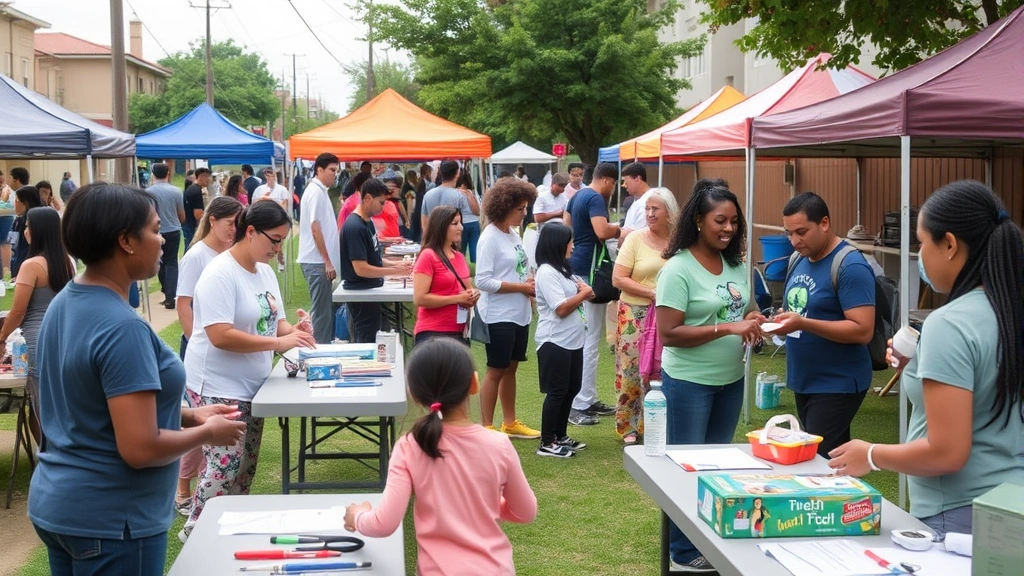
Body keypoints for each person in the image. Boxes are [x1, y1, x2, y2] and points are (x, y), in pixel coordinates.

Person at [29, 182, 246, 575]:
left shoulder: (65, 302)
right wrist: (207, 434)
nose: (163, 238)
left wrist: (186, 415)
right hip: (113, 518)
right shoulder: (121, 328)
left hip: (60, 505)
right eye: (153, 228)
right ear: (125, 241)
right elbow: (141, 447)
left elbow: (91, 400)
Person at [829, 181, 1024, 536]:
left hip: (960, 514)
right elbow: (991, 380)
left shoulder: (949, 324)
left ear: (949, 244)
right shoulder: (1010, 313)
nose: (919, 256)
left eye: (921, 243)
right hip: (1012, 503)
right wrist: (923, 368)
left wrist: (871, 454)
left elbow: (947, 453)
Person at [182, 201, 317, 540]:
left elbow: (275, 322)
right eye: (274, 240)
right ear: (250, 231)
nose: (278, 248)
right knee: (224, 465)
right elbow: (219, 335)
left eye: (283, 240)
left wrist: (296, 330)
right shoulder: (219, 273)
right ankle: (197, 530)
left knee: (244, 466)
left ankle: (227, 530)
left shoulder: (264, 270)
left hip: (252, 384)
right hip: (215, 384)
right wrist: (277, 344)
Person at [343, 338, 537, 573]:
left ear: (414, 395)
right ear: (474, 384)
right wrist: (482, 502)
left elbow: (383, 523)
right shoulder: (499, 443)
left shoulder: (409, 446)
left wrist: (357, 515)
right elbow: (524, 512)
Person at [656, 183, 764, 572]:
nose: (729, 228)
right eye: (721, 220)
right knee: (687, 466)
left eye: (735, 222)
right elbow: (669, 333)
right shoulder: (678, 268)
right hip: (688, 383)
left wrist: (753, 320)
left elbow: (747, 309)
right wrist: (728, 329)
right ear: (699, 220)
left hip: (730, 379)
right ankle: (683, 552)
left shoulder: (737, 264)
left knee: (716, 466)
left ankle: (704, 538)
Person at [771, 192, 875, 457]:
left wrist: (804, 322)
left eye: (802, 232)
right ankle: (848, 499)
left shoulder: (850, 265)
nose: (794, 241)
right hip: (805, 378)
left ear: (825, 223)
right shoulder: (798, 259)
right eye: (789, 233)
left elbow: (863, 330)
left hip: (837, 381)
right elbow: (803, 310)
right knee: (833, 460)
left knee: (817, 458)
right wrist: (784, 318)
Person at [172, 196, 242, 514]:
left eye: (237, 225)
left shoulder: (229, 254)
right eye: (230, 223)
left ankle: (194, 488)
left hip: (220, 348)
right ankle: (182, 491)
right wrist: (196, 338)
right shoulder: (197, 256)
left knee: (209, 428)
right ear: (212, 220)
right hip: (201, 349)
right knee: (201, 426)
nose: (234, 230)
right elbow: (182, 303)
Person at [0, 207, 73, 445]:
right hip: (64, 338)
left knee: (42, 405)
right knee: (57, 404)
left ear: (39, 230)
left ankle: (52, 460)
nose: (26, 231)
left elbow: (18, 312)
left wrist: (1, 338)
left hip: (37, 341)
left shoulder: (31, 265)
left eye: (29, 226)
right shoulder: (67, 262)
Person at [475, 177, 540, 440]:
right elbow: (483, 281)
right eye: (520, 209)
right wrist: (522, 288)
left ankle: (509, 423)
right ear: (504, 207)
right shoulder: (489, 237)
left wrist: (528, 283)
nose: (525, 214)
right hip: (498, 314)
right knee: (496, 369)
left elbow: (519, 267)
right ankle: (487, 427)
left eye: (525, 208)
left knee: (511, 368)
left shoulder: (513, 233)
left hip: (518, 313)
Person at [611, 187, 678, 444]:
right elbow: (618, 278)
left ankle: (656, 422)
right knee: (632, 369)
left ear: (669, 212)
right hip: (634, 314)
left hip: (669, 313)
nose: (649, 214)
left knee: (663, 368)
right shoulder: (635, 239)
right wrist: (651, 293)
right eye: (647, 209)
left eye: (655, 209)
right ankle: (628, 425)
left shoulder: (681, 242)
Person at [563, 162, 620, 426]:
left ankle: (588, 397)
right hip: (590, 272)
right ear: (607, 180)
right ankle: (580, 402)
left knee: (588, 337)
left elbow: (566, 227)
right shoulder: (596, 198)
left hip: (578, 267)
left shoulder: (576, 196)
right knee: (589, 339)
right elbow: (601, 230)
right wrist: (620, 228)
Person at [533, 223, 593, 458]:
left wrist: (584, 292)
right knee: (557, 391)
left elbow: (581, 291)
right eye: (570, 241)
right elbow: (560, 308)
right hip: (554, 341)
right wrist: (583, 294)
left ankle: (560, 434)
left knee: (571, 388)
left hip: (572, 340)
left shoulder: (563, 269)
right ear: (559, 244)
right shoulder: (547, 272)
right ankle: (547, 441)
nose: (573, 245)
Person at [339, 178, 413, 343]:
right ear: (367, 199)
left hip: (368, 289)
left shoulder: (367, 222)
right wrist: (395, 271)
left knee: (373, 333)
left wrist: (397, 264)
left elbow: (374, 258)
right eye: (381, 203)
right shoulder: (355, 227)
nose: (383, 207)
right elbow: (361, 268)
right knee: (365, 337)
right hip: (360, 292)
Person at [412, 205, 478, 345]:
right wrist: (457, 298)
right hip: (433, 332)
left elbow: (466, 287)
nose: (461, 227)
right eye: (455, 223)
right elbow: (420, 298)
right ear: (441, 226)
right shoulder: (428, 256)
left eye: (461, 222)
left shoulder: (459, 257)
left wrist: (472, 294)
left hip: (460, 331)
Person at [298, 152, 342, 344]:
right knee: (322, 315)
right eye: (332, 170)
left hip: (318, 262)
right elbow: (315, 227)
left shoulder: (319, 190)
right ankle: (319, 352)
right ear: (319, 170)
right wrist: (326, 260)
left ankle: (322, 347)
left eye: (337, 170)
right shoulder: (315, 191)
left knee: (323, 312)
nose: (335, 174)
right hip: (316, 262)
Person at [146, 163, 186, 310]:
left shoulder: (148, 192)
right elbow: (181, 214)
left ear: (153, 174)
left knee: (160, 261)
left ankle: (165, 290)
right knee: (171, 262)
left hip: (155, 231)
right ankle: (171, 295)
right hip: (173, 230)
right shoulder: (176, 191)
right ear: (168, 173)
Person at [253, 167, 290, 273]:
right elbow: (254, 205)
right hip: (264, 223)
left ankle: (281, 263)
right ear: (265, 176)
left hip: (279, 222)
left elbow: (284, 207)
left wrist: (269, 200)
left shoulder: (282, 190)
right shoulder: (259, 190)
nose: (271, 177)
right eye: (268, 175)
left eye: (272, 175)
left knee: (279, 245)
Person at [420, 160, 474, 233]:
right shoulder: (459, 195)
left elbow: (424, 222)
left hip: (433, 238)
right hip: (451, 239)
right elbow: (474, 213)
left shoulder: (428, 195)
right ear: (457, 174)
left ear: (441, 173)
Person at [11, 186, 43, 278]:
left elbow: (16, 246)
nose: (14, 204)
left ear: (26, 202)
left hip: (23, 265)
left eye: (17, 200)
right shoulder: (18, 220)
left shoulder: (24, 221)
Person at [619, 162, 653, 238]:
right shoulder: (638, 200)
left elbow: (638, 236)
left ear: (637, 179)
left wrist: (618, 233)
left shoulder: (647, 202)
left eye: (625, 181)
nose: (624, 185)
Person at [455, 170, 482, 263]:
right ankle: (476, 268)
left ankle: (461, 267)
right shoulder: (472, 193)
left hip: (462, 223)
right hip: (475, 223)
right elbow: (478, 210)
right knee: (475, 249)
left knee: (460, 250)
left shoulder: (457, 193)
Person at [182, 167, 210, 250]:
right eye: (207, 177)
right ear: (201, 177)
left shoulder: (192, 188)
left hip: (187, 223)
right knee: (192, 247)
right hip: (192, 226)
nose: (209, 180)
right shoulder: (196, 191)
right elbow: (198, 215)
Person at [375, 171, 405, 239]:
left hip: (394, 240)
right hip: (386, 241)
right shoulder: (378, 205)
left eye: (394, 187)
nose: (393, 189)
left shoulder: (392, 204)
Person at [410, 163, 434, 242]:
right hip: (420, 209)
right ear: (427, 172)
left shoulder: (422, 182)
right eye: (431, 172)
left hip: (419, 209)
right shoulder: (423, 183)